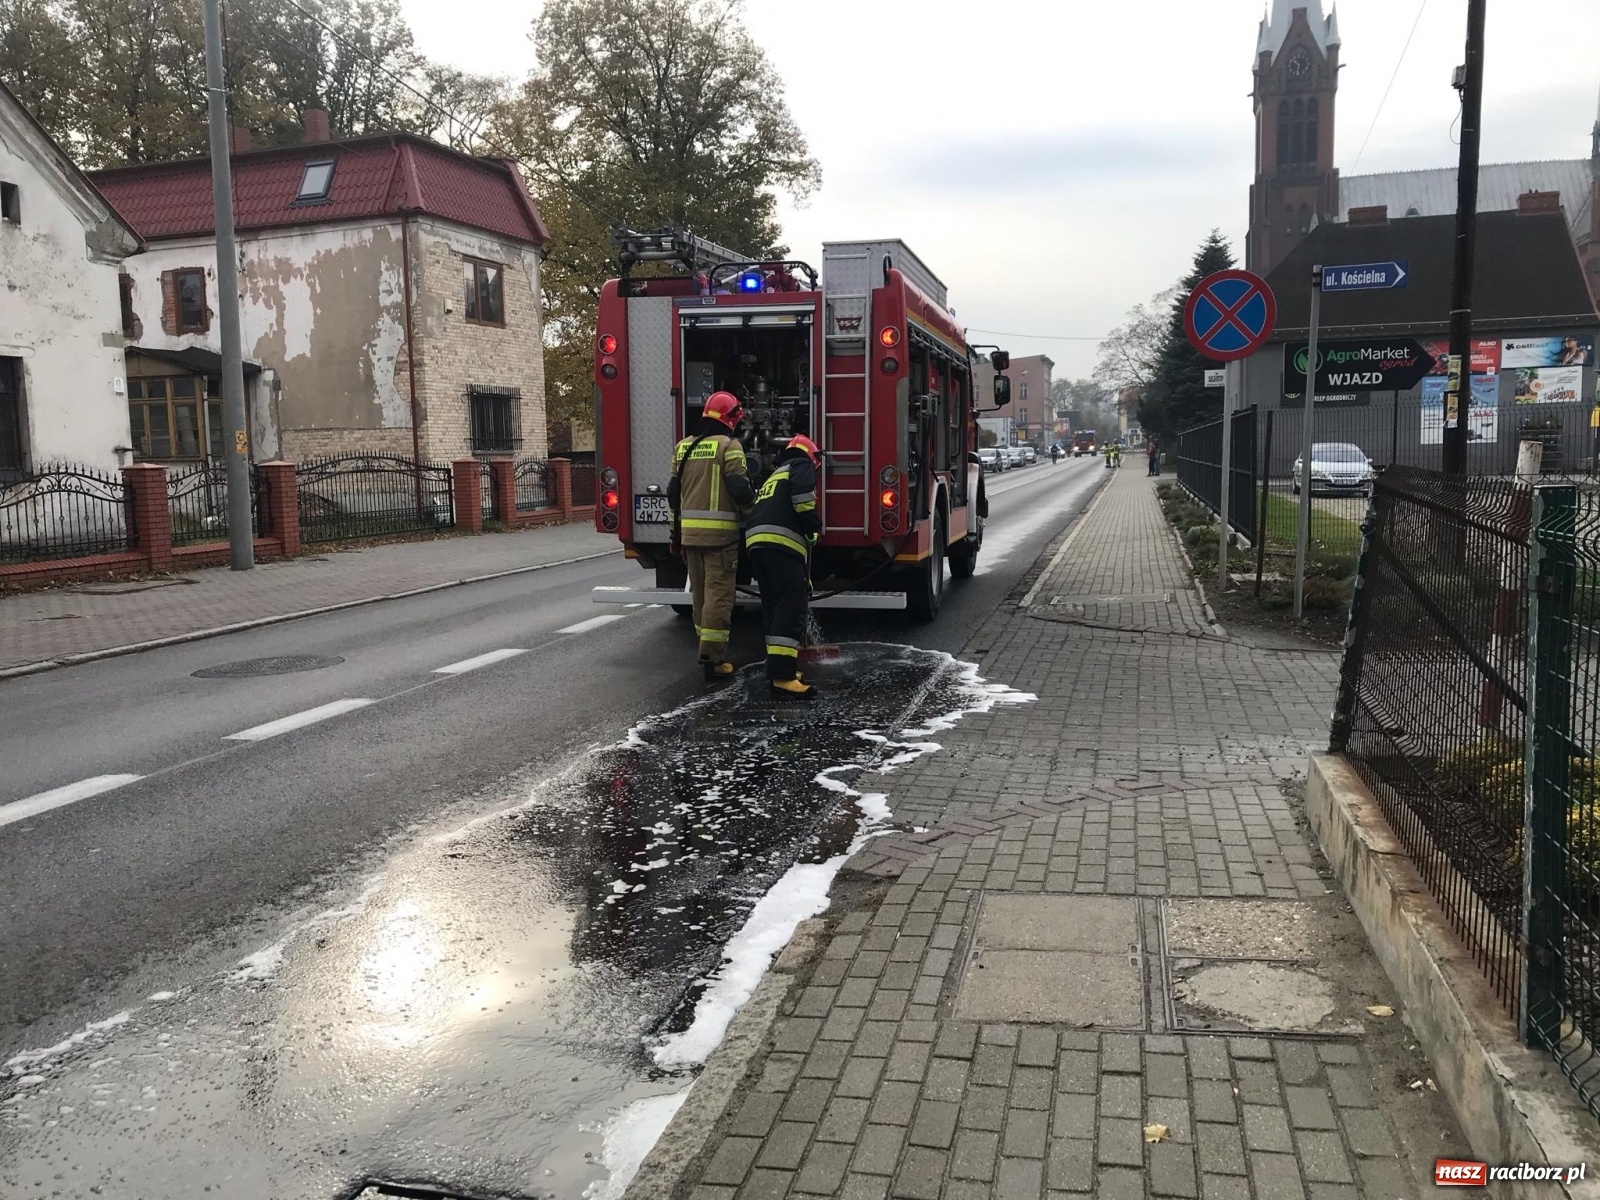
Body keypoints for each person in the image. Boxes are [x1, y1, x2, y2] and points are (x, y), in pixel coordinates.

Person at [668, 391, 754, 681]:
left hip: (689, 536)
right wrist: (755, 512)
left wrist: (674, 535)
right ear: (730, 419)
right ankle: (713, 658)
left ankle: (706, 648)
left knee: (700, 596)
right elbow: (740, 489)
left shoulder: (683, 448)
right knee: (719, 597)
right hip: (720, 540)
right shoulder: (730, 447)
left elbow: (672, 495)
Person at [746, 434, 823, 699]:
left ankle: (779, 667)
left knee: (775, 606)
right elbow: (803, 501)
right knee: (790, 605)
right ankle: (782, 677)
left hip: (757, 545)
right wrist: (813, 528)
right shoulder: (800, 465)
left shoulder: (774, 475)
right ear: (811, 457)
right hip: (779, 544)